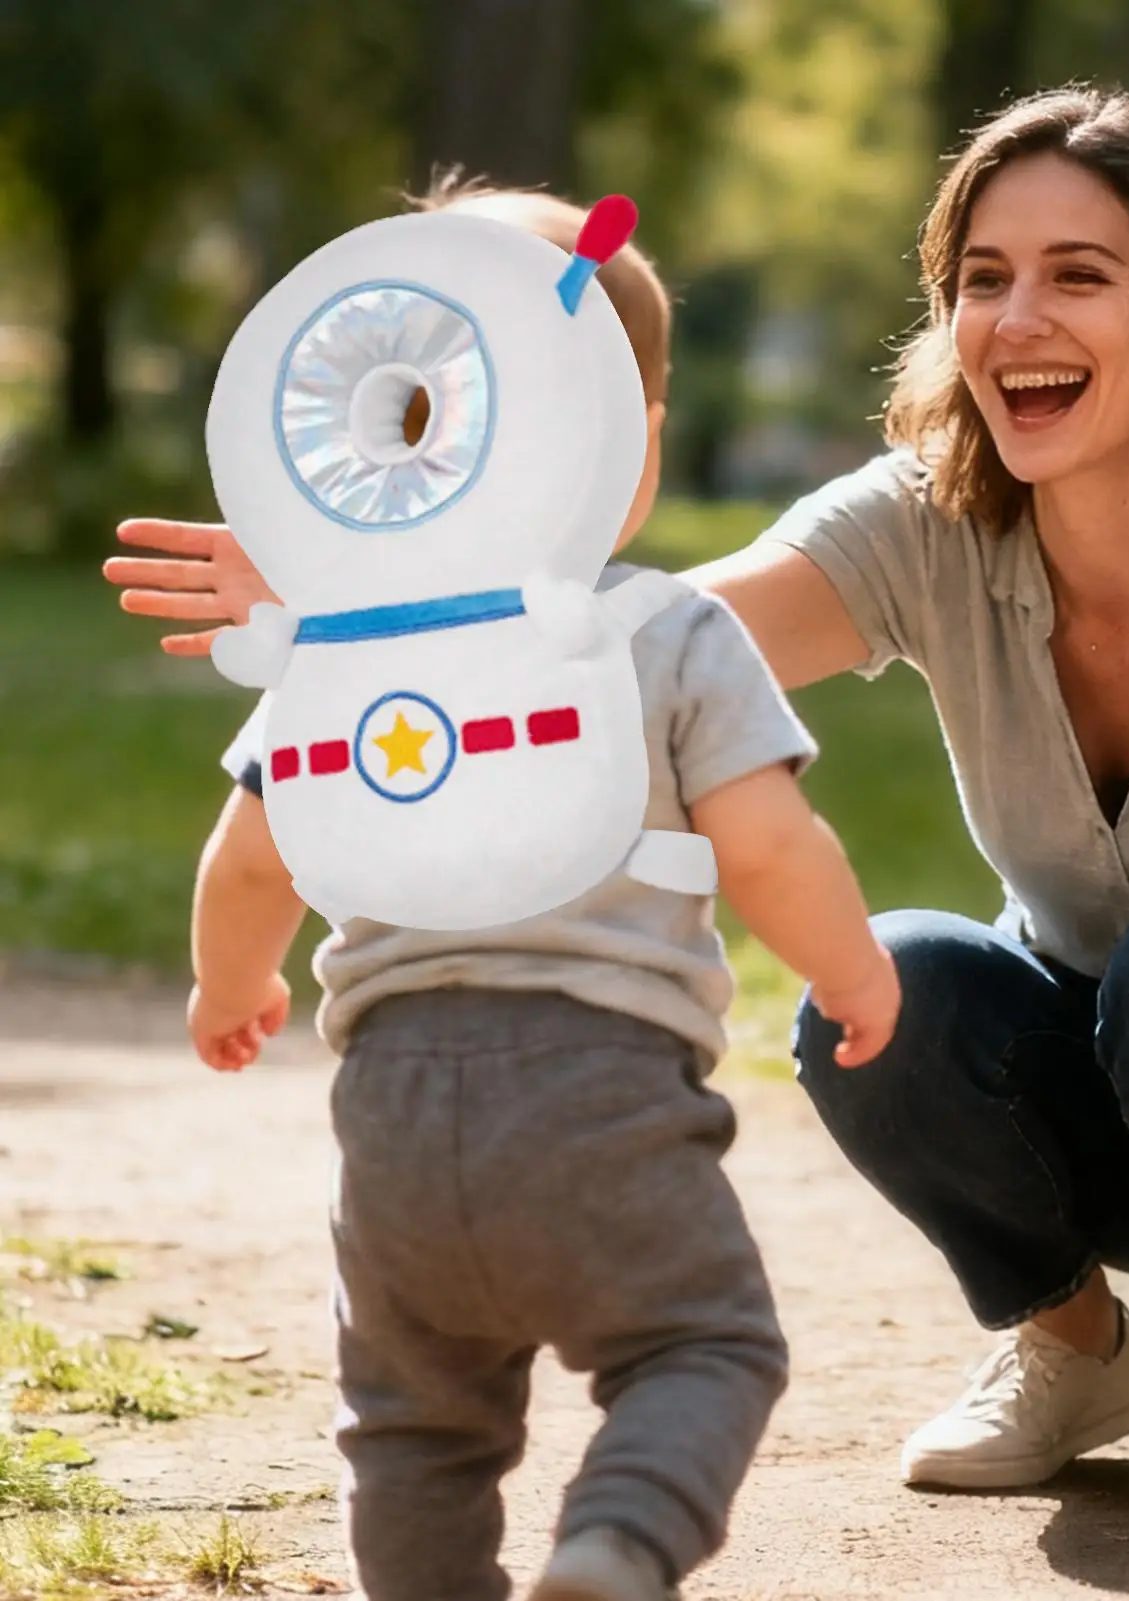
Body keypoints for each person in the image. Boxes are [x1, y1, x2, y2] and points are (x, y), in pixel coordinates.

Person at [108, 88, 1129, 1519]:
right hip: (1105, 1083)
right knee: (877, 983)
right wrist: (382, 605)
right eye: (984, 277)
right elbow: (633, 649)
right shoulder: (924, 517)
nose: (1016, 322)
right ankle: (1070, 1350)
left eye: (1079, 277)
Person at [165, 178, 902, 1601]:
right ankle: (619, 1543)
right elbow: (766, 847)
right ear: (635, 444)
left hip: (385, 1117)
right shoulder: (666, 628)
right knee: (706, 1348)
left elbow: (253, 853)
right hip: (600, 1095)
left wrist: (228, 985)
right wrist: (854, 972)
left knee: (413, 1433)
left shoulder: (341, 656)